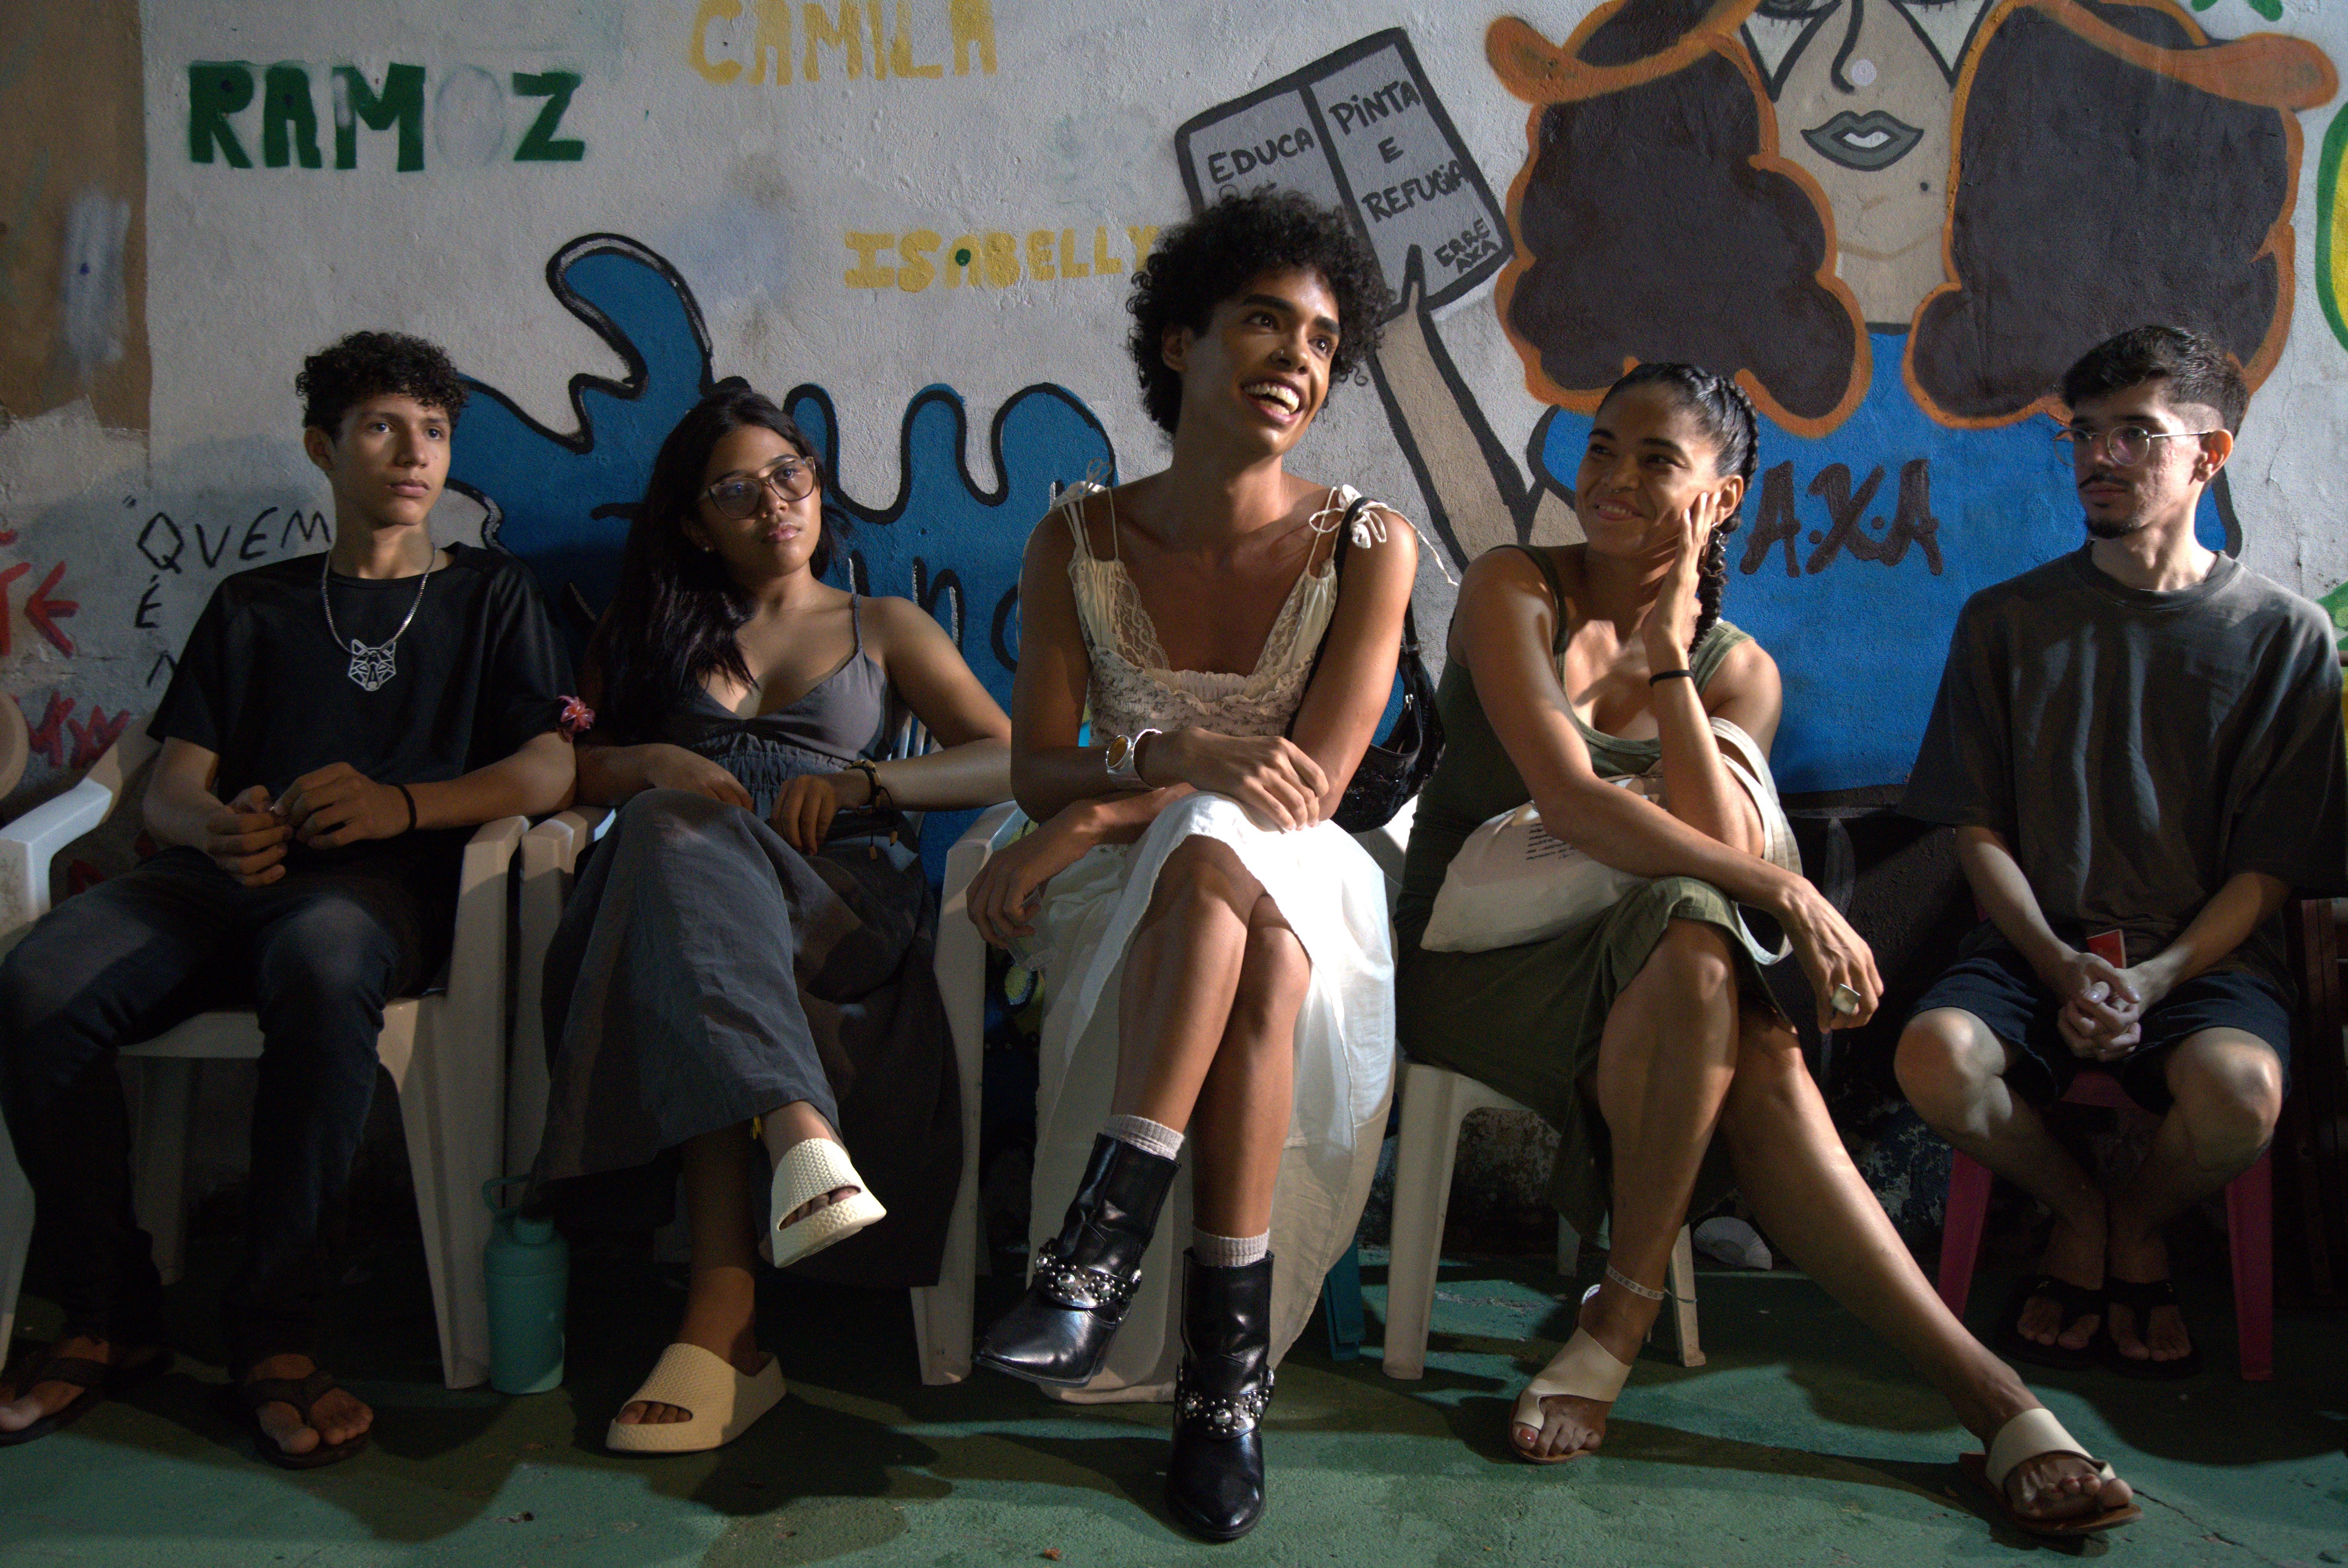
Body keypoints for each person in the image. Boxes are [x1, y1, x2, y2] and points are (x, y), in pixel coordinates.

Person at [1393, 361, 2139, 1536]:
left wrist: (1670, 655)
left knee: (1708, 955)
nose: (1612, 479)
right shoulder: (1514, 585)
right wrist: (1787, 894)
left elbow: (1718, 837)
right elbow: (1575, 802)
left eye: (1657, 460)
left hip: (1653, 976)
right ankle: (1981, 1396)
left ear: (1723, 498)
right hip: (1473, 960)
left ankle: (1656, 1324)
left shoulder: (1738, 669)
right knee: (1724, 972)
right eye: (1603, 447)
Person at [0, 331, 575, 1466]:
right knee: (36, 985)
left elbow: (550, 768)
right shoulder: (253, 604)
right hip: (215, 883)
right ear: (322, 447)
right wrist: (213, 826)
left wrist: (401, 807)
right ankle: (108, 1313)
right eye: (383, 427)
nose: (414, 453)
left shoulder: (491, 596)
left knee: (321, 962)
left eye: (434, 431)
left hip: (373, 896)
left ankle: (277, 1334)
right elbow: (173, 786)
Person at [962, 188, 1415, 1541]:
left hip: (1301, 861)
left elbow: (1309, 786)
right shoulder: (1077, 536)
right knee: (1242, 918)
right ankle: (1226, 1389)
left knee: (1229, 855)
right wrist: (1161, 769)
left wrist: (1118, 807)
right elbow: (1035, 767)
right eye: (1264, 323)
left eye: (1323, 341)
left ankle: (1090, 1263)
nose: (1297, 359)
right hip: (1138, 886)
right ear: (1180, 342)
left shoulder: (1367, 545)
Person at [529, 385, 1012, 1455]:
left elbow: (1009, 756)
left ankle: (730, 1320)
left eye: (788, 476)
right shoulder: (648, 631)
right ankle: (797, 1144)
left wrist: (866, 784)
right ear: (698, 524)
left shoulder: (883, 626)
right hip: (690, 892)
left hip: (838, 900)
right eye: (736, 492)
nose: (773, 504)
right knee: (672, 849)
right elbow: (568, 769)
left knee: (676, 887)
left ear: (817, 484)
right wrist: (649, 761)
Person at [1895, 325, 2345, 1379]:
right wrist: (2058, 963)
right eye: (2085, 433)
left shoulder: (2285, 637)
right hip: (2032, 949)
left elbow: (2271, 868)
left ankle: (2134, 1222)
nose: (2099, 457)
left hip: (2207, 963)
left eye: (2135, 434)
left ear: (2209, 454)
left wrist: (2156, 975)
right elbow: (1977, 829)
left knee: (2243, 1095)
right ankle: (2082, 1213)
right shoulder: (2007, 621)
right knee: (1932, 1057)